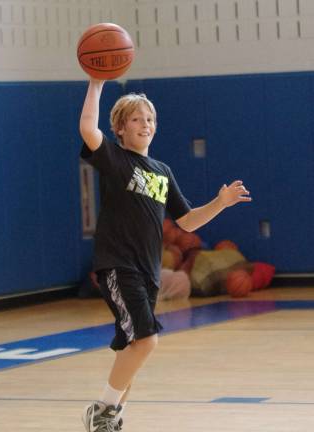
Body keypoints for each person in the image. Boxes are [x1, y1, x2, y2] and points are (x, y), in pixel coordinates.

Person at [79, 77, 252, 432]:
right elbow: (86, 127)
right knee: (147, 339)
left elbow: (187, 222)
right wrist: (96, 83)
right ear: (120, 128)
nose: (146, 124)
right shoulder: (115, 159)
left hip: (149, 272)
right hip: (118, 266)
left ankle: (110, 419)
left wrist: (220, 203)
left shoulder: (162, 172)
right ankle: (102, 411)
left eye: (150, 119)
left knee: (133, 350)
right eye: (137, 119)